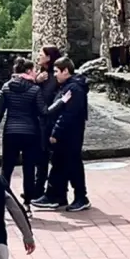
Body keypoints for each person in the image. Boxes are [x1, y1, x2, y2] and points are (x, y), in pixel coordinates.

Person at [0, 58, 46, 203]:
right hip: (30, 133)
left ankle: (3, 199)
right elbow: (43, 111)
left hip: (11, 132)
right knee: (29, 169)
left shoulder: (7, 87)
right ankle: (27, 202)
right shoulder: (34, 89)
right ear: (28, 71)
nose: (35, 73)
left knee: (6, 168)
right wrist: (60, 102)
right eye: (33, 70)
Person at [37, 58, 90, 212]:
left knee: (72, 165)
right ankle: (56, 196)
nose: (54, 75)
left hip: (70, 134)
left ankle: (80, 197)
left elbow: (69, 114)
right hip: (67, 133)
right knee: (60, 163)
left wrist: (56, 132)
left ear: (65, 71)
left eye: (56, 71)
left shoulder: (74, 89)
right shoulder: (67, 86)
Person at [33, 46, 64, 190]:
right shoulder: (42, 74)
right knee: (41, 155)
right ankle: (38, 187)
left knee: (46, 155)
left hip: (49, 121)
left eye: (41, 54)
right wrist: (36, 81)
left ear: (49, 58)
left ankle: (43, 188)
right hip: (43, 120)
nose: (38, 57)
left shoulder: (52, 77)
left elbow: (44, 98)